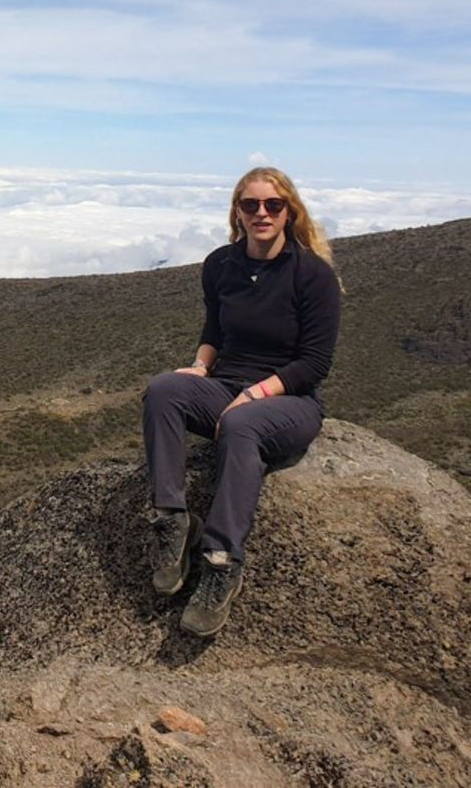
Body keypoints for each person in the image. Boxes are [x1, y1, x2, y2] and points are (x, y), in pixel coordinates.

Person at [142, 166, 341, 637]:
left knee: (241, 426)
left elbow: (314, 363)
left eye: (272, 205)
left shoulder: (312, 275)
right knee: (163, 389)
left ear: (289, 211)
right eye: (250, 205)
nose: (261, 213)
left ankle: (221, 560)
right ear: (237, 211)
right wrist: (200, 365)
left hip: (288, 401)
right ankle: (172, 520)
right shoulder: (221, 265)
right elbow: (215, 330)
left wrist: (254, 395)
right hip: (226, 383)